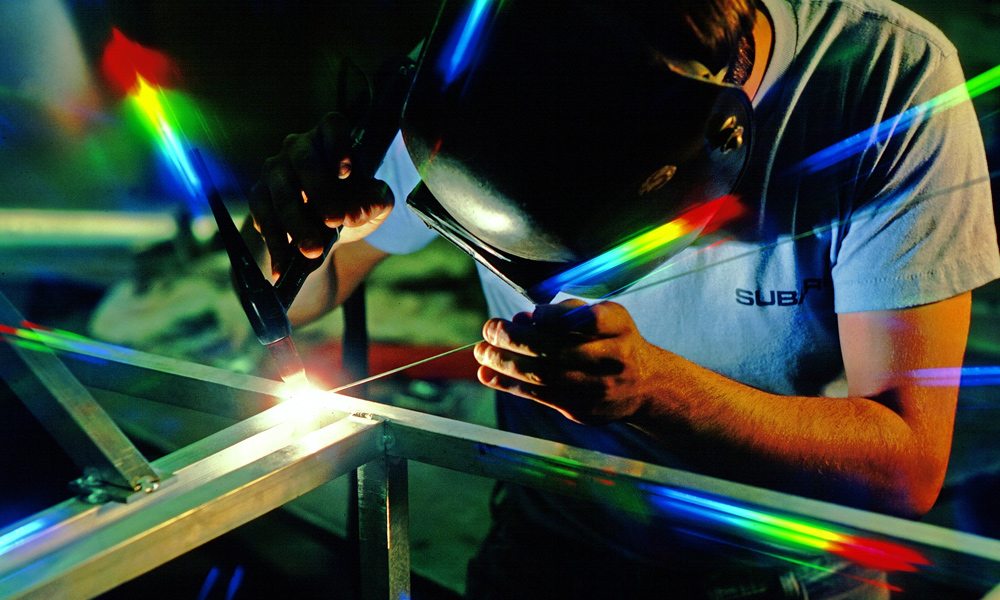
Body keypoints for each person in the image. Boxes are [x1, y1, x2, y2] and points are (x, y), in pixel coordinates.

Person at [247, 0, 1000, 597]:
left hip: (787, 575)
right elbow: (311, 298)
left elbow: (905, 468)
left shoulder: (887, 85)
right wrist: (298, 232)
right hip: (544, 557)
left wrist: (660, 392)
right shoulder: (478, 72)